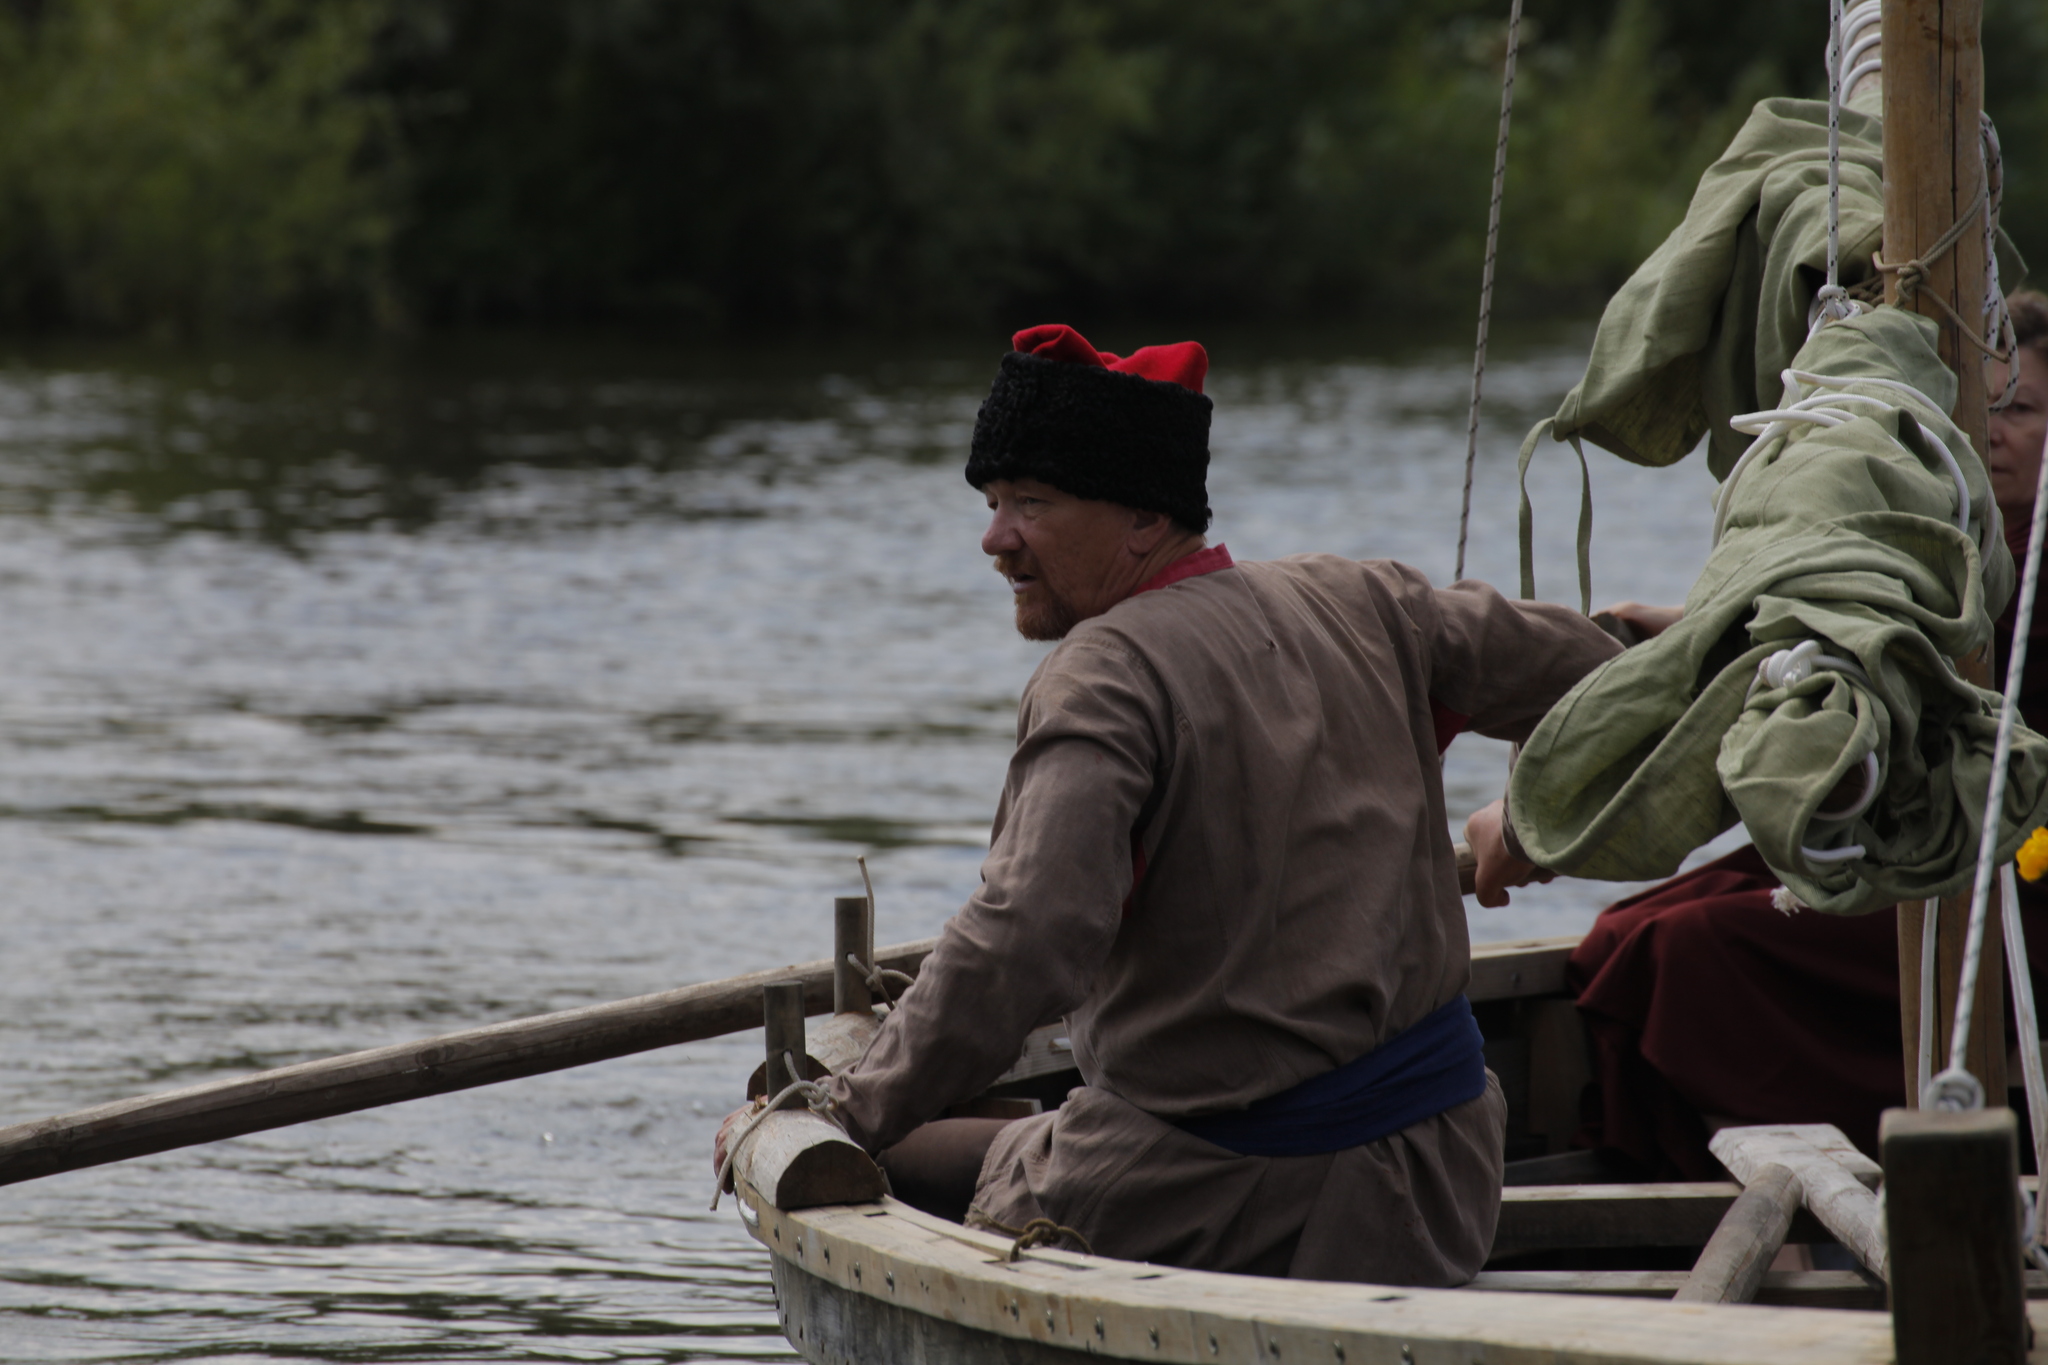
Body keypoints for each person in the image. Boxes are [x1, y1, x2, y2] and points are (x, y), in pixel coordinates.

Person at [717, 322, 1618, 1285]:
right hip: (1443, 1173)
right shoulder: (1364, 597)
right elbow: (1610, 685)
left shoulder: (1104, 674)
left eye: (1032, 501)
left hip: (1221, 1196)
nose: (995, 538)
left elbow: (1028, 933)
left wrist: (845, 1110)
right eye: (990, 502)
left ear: (1146, 520)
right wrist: (1562, 762)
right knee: (1029, 1124)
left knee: (888, 1155)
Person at [1559, 289, 2048, 1180]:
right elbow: (1857, 621)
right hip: (1899, 828)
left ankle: (1780, 1212)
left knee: (1688, 953)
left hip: (1998, 884)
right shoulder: (1944, 534)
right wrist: (1686, 631)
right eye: (1976, 410)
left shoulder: (2031, 560)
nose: (1991, 432)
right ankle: (1701, 1198)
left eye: (2017, 409)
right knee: (1618, 933)